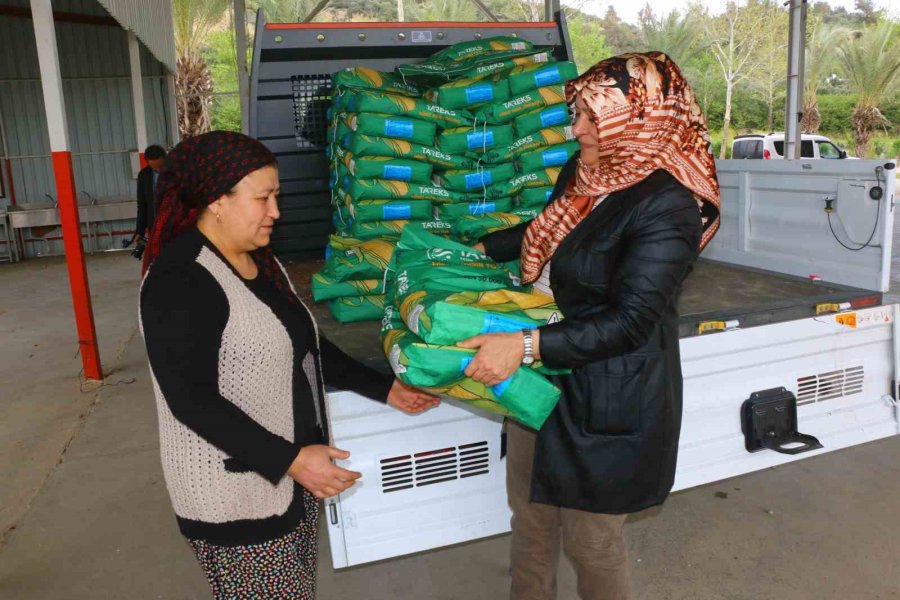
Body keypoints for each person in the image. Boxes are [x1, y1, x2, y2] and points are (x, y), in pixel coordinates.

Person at [461, 52, 722, 600]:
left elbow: (630, 321)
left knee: (591, 542)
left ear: (641, 116)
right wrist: (473, 250)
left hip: (605, 393)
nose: (576, 128)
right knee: (530, 523)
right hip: (542, 377)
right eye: (577, 113)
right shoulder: (583, 174)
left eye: (590, 116)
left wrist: (526, 345)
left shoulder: (668, 205)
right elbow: (548, 231)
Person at [139, 131, 439, 599]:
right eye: (264, 198)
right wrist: (293, 460)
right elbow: (191, 400)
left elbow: (306, 346)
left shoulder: (259, 262)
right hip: (235, 498)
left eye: (276, 195)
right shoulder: (181, 279)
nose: (275, 211)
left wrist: (386, 390)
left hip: (289, 478)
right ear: (217, 201)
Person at [133, 144, 167, 245]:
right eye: (154, 168)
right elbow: (142, 204)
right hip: (154, 225)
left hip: (174, 225)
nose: (158, 170)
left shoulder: (176, 173)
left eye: (160, 167)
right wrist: (140, 230)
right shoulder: (144, 175)